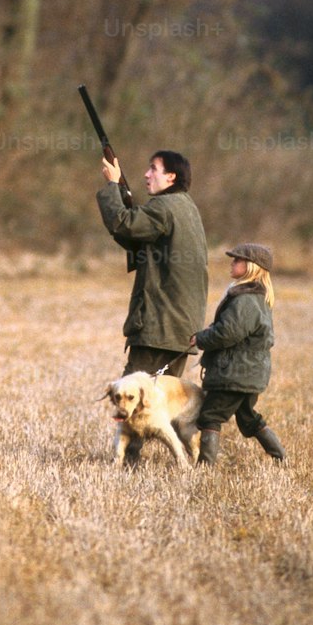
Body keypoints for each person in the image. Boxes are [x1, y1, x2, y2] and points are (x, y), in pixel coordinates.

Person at [97, 148, 208, 464]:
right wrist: (123, 195)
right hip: (180, 326)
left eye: (153, 169)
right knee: (160, 403)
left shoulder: (164, 206)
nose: (146, 174)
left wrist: (112, 186)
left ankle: (128, 462)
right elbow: (137, 236)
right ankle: (201, 457)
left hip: (159, 325)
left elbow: (125, 225)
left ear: (171, 176)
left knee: (131, 395)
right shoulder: (185, 207)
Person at [190, 242, 285, 467]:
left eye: (237, 260)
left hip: (233, 374)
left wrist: (200, 338)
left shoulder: (245, 299)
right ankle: (281, 458)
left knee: (210, 417)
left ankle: (205, 467)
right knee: (248, 419)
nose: (232, 263)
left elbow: (227, 333)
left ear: (251, 267)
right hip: (248, 374)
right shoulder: (256, 298)